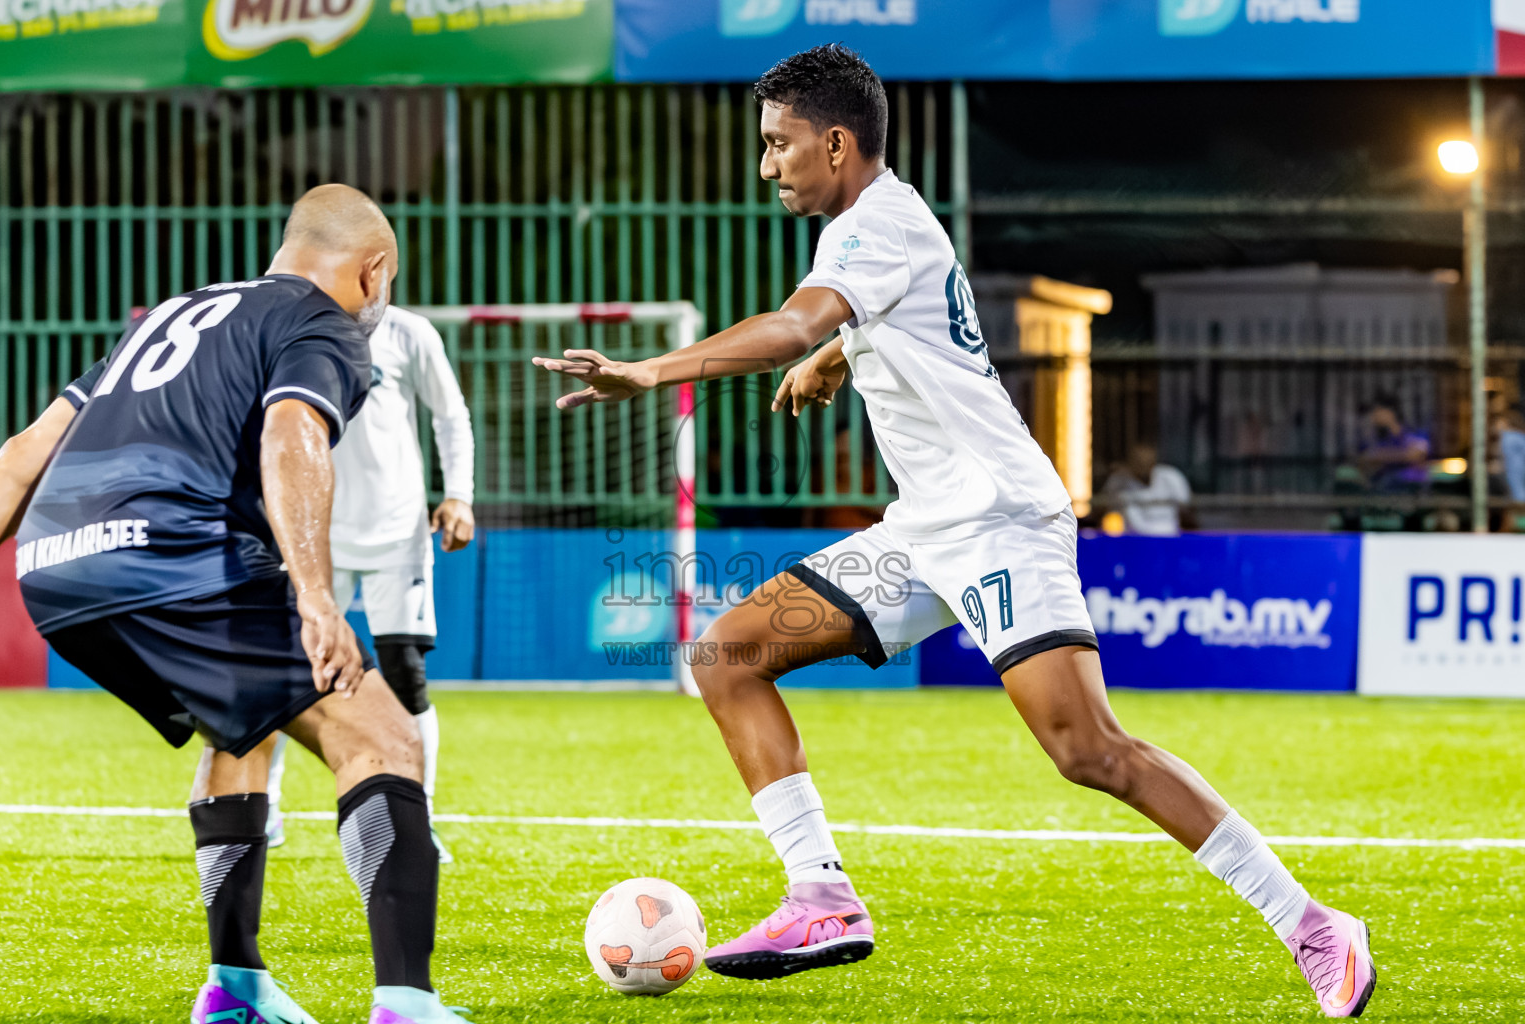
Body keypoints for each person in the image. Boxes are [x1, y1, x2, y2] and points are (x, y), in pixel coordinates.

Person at [534, 45, 1375, 1018]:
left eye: (780, 144)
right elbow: (882, 325)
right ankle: (820, 895)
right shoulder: (881, 223)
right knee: (726, 652)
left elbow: (789, 322)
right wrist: (841, 359)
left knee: (1088, 750)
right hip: (927, 526)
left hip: (1001, 519)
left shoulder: (870, 228)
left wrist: (654, 370)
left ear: (835, 143)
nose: (768, 165)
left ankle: (1313, 922)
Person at [0, 185, 466, 1024]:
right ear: (374, 271)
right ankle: (407, 1003)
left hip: (55, 571)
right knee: (382, 733)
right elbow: (293, 435)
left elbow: (25, 453)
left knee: (240, 725)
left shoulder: (174, 315)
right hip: (171, 552)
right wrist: (317, 598)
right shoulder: (323, 323)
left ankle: (234, 988)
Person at [266, 305, 475, 862]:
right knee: (286, 669)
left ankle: (418, 817)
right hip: (314, 530)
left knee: (405, 673)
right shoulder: (291, 324)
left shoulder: (410, 332)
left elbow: (450, 414)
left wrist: (459, 494)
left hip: (396, 532)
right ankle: (264, 806)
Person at [1099, 443, 1195, 536]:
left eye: (1148, 462)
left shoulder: (1170, 477)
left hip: (1168, 537)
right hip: (1132, 540)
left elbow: (1187, 512)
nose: (1144, 465)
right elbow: (1102, 510)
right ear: (1130, 462)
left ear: (1154, 461)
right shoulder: (1118, 480)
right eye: (1139, 461)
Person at [1356, 394, 1429, 492]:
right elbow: (1364, 459)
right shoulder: (1378, 440)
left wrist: (1379, 455)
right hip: (1386, 493)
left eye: (1377, 411)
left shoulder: (1414, 433)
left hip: (1413, 492)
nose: (1374, 416)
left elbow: (1416, 455)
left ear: (1390, 411)